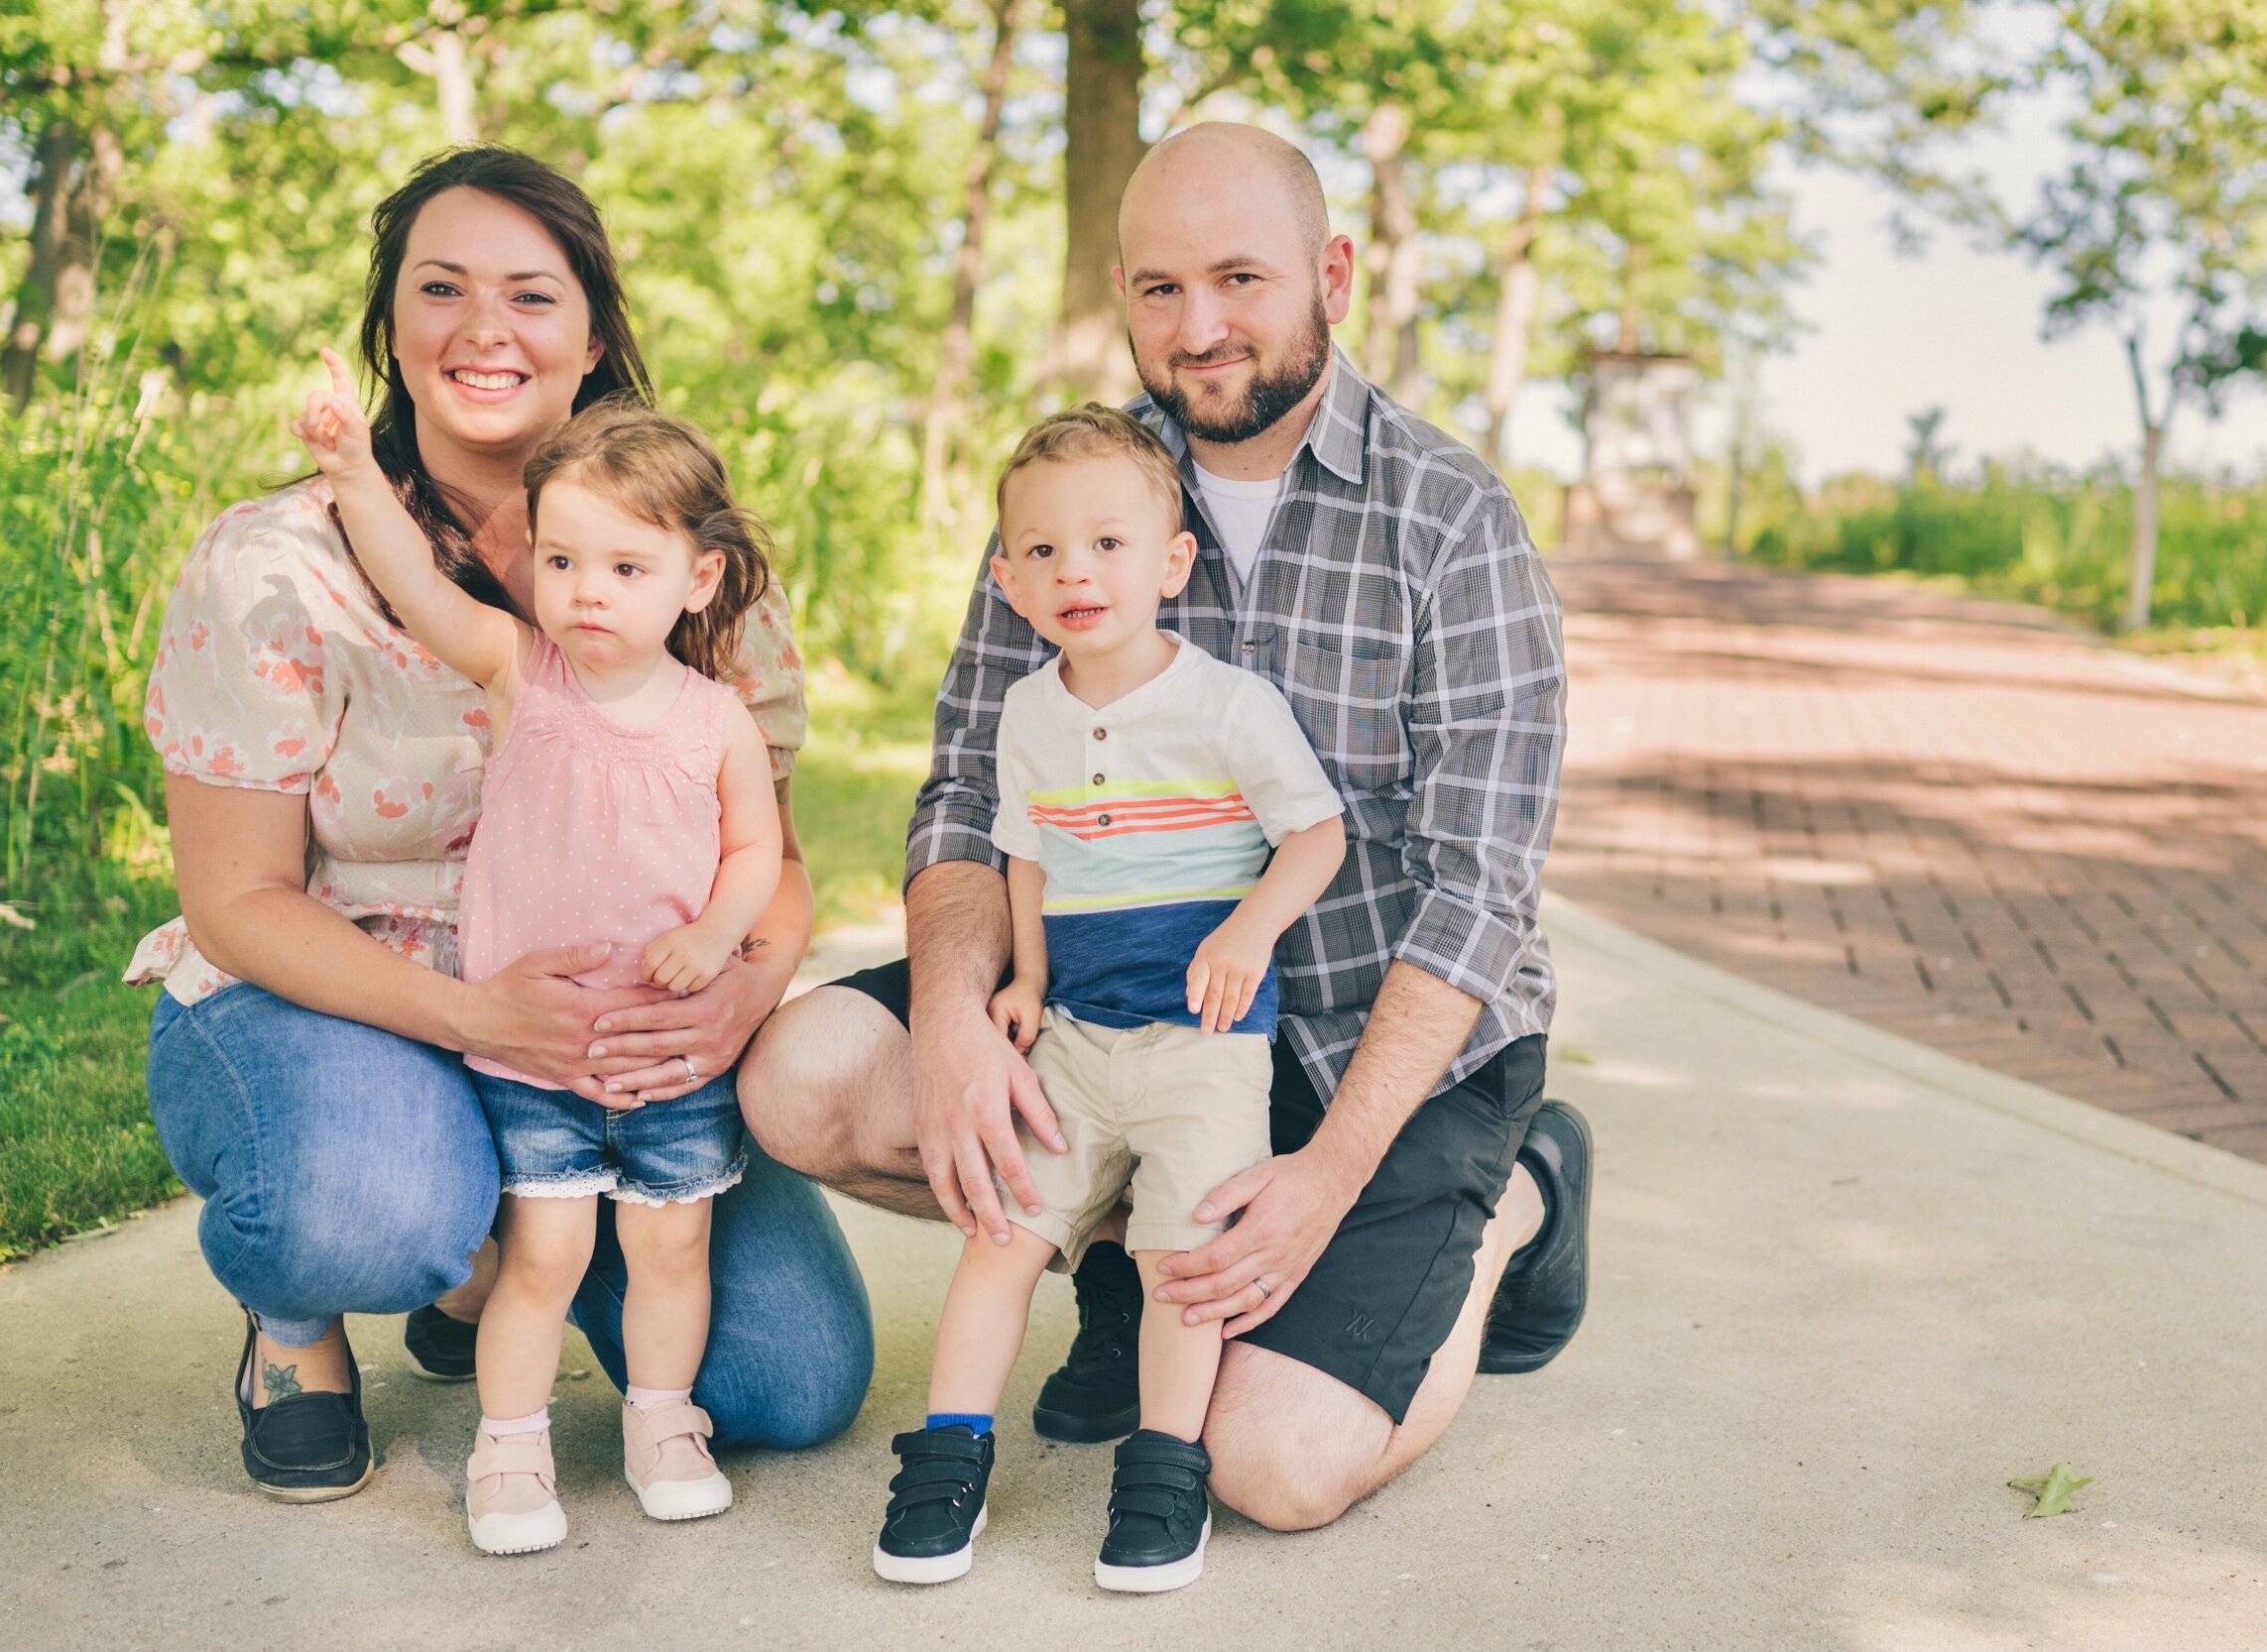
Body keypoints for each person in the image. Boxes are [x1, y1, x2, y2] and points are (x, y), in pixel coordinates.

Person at [743, 120, 1590, 1533]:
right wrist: (954, 1027)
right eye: (1159, 288)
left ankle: (1518, 1196)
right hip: (1116, 1014)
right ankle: (1124, 1269)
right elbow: (967, 791)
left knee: (1269, 1465)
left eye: (1240, 279)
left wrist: (1331, 1174)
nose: (1198, 329)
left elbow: (1480, 892)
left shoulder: (1453, 521)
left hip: (1372, 1042)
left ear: (1332, 274)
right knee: (804, 1079)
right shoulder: (1076, 495)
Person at [131, 146, 871, 1504]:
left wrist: (740, 986)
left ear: (592, 337)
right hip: (345, 1003)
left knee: (791, 1376)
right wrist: (478, 1017)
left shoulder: (690, 564)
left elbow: (765, 853)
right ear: (390, 323)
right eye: (441, 288)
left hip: (617, 1037)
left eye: (531, 294)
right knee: (365, 1209)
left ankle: (484, 1273)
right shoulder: (277, 563)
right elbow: (237, 901)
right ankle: (308, 1315)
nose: (486, 327)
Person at [298, 371, 782, 1552]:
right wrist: (353, 468)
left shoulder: (714, 717)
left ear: (698, 577)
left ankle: (661, 1423)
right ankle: (509, 1448)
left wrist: (714, 935)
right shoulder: (522, 670)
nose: (587, 591)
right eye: (562, 561)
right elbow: (415, 586)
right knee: (543, 1256)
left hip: (669, 1060)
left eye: (625, 567)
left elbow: (756, 850)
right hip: (538, 1062)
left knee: (671, 1249)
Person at [869, 407, 1346, 1592]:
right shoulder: (1028, 712)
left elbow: (1317, 834)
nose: (1073, 572)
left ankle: (1165, 1469)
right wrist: (1026, 978)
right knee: (1001, 1236)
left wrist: (1248, 926)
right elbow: (1026, 855)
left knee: (1183, 1260)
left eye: (1106, 545)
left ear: (1172, 563)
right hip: (1075, 1041)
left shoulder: (1227, 703)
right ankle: (948, 1457)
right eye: (1041, 551)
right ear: (1006, 581)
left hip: (1205, 1047)